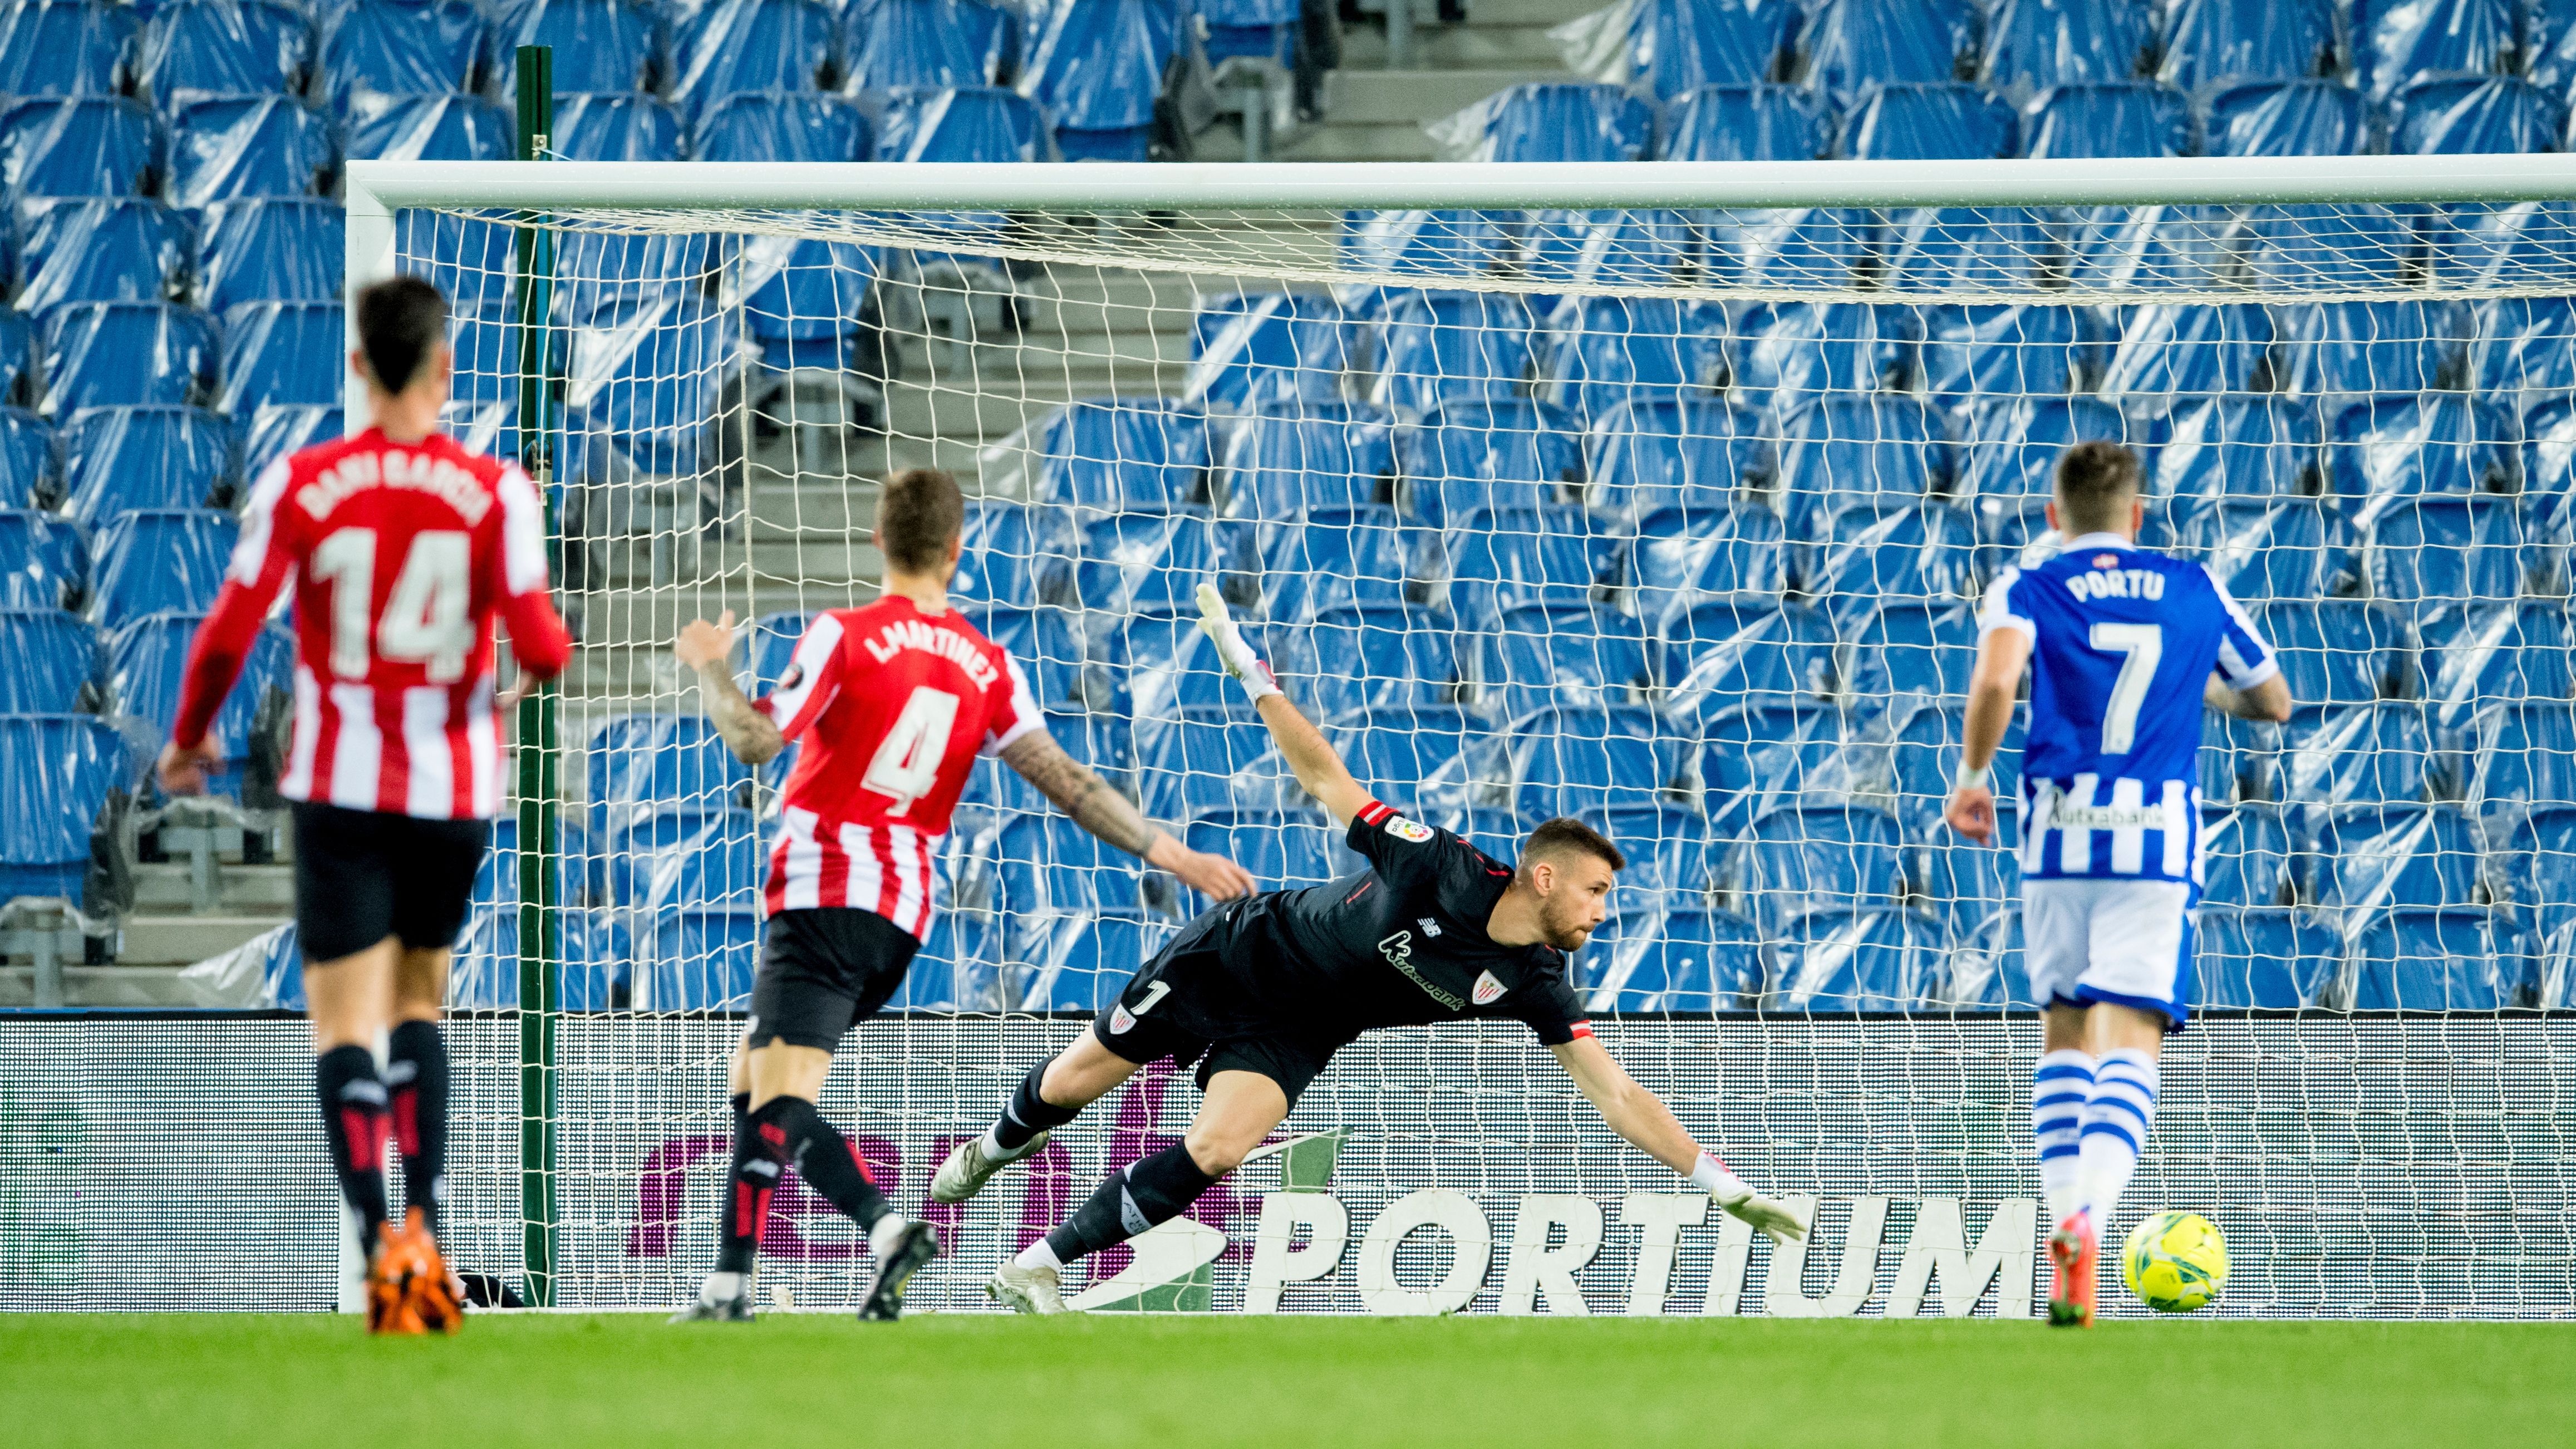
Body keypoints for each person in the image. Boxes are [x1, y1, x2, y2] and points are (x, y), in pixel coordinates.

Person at [937, 585, 1809, 1315]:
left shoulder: (1536, 982)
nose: (1603, 913)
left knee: (1223, 1146)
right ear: (1543, 878)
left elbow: (1616, 1091)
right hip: (1236, 955)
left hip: (1302, 1027)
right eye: (1596, 892)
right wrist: (1251, 674)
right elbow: (1326, 778)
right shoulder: (1438, 864)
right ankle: (993, 1149)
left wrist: (1719, 1183)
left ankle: (1039, 1265)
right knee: (1074, 1083)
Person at [667, 469, 1257, 1323]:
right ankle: (883, 1230)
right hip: (903, 913)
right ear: (955, 549)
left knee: (777, 1090)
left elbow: (757, 740)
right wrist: (1173, 852)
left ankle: (729, 1286)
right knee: (752, 1086)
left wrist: (713, 671)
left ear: (877, 541)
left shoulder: (843, 634)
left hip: (826, 887)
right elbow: (1069, 783)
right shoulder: (988, 663)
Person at [159, 275, 576, 1335]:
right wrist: (516, 669)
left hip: (340, 785)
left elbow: (226, 630)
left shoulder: (304, 485)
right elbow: (543, 648)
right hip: (451, 791)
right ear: (443, 368)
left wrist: (191, 737)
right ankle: (427, 1233)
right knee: (418, 1008)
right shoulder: (496, 494)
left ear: (357, 367)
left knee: (341, 1024)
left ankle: (376, 1247)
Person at [1945, 440, 2292, 1328]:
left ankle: (2064, 1219)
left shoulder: (2029, 580)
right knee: (2133, 1036)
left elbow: (1996, 675)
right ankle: (2092, 1221)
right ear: (2138, 514)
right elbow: (2273, 701)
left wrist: (1973, 777)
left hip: (2057, 830)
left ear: (2057, 515)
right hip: (2155, 840)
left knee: (2064, 1028)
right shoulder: (2193, 584)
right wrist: (2192, 692)